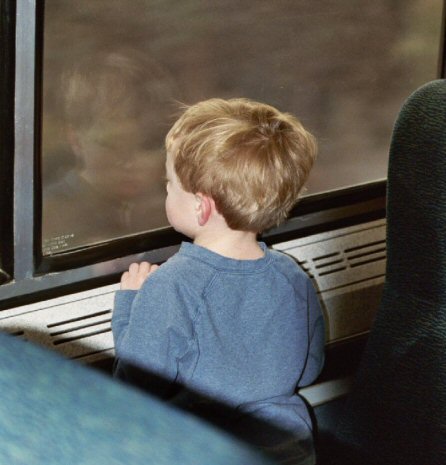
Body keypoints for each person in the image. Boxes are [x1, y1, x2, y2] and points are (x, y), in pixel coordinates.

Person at [112, 98, 325, 464]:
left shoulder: (174, 284)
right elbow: (309, 367)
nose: (165, 191)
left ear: (201, 206)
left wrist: (131, 304)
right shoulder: (292, 276)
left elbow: (138, 383)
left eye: (169, 185)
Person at [42, 48, 176, 253]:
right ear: (75, 140)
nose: (129, 162)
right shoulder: (49, 215)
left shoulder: (176, 205)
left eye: (145, 145)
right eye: (111, 145)